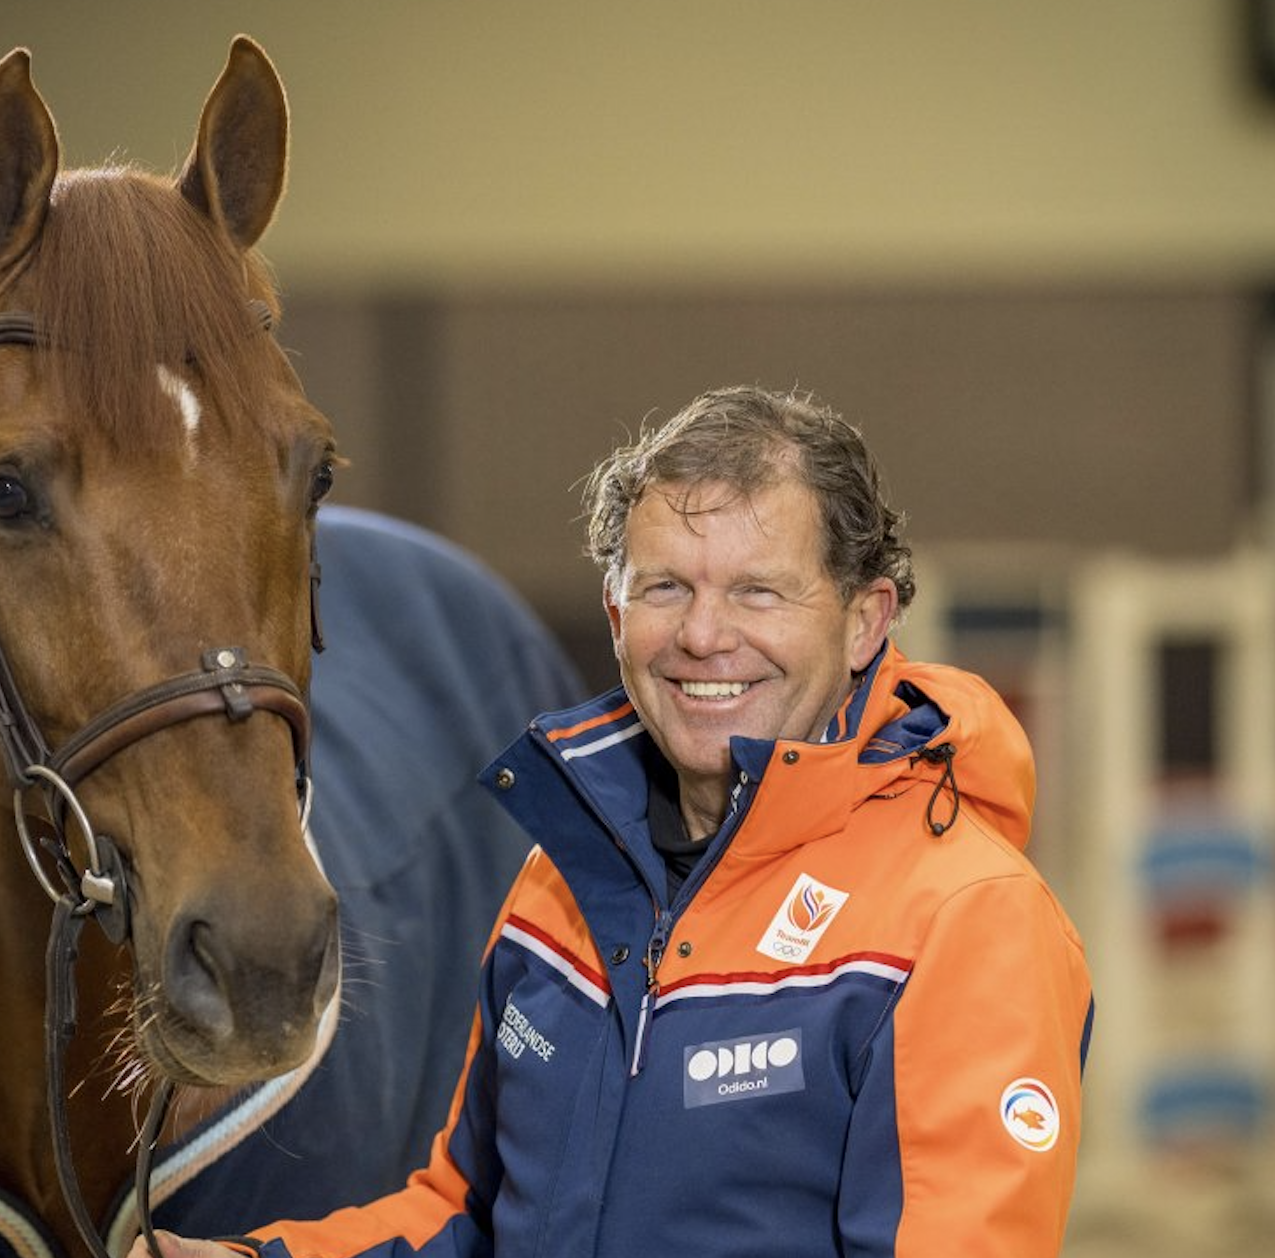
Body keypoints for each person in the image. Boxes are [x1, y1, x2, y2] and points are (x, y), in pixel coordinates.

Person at [136, 386, 1093, 1258]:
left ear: (864, 620)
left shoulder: (965, 918)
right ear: (614, 611)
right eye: (664, 587)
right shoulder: (561, 890)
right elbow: (464, 1219)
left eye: (758, 590)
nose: (703, 635)